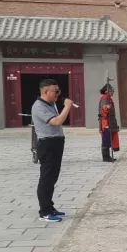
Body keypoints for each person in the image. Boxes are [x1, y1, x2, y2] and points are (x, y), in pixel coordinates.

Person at [32, 79, 76, 223]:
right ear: (45, 92)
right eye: (55, 91)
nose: (58, 94)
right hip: (47, 144)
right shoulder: (39, 106)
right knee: (46, 178)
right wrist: (67, 107)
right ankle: (44, 212)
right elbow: (56, 122)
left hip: (56, 143)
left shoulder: (50, 104)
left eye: (59, 91)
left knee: (52, 178)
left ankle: (50, 207)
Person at [97, 82, 120, 162]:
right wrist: (107, 107)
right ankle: (106, 157)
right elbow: (104, 110)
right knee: (106, 139)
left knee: (108, 139)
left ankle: (107, 156)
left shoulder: (108, 98)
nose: (113, 92)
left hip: (109, 121)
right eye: (111, 90)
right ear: (107, 91)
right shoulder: (105, 98)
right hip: (106, 122)